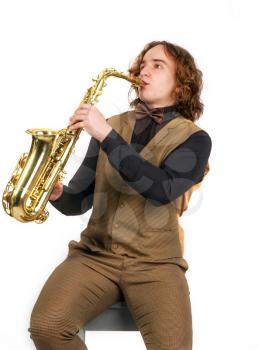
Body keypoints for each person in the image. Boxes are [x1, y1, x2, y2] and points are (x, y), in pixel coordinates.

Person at [28, 40, 212, 350]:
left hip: (156, 263)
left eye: (158, 65)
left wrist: (106, 136)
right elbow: (81, 200)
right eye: (143, 64)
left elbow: (160, 189)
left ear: (181, 85)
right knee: (47, 327)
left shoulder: (195, 139)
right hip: (95, 256)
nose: (145, 71)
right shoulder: (112, 125)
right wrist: (56, 193)